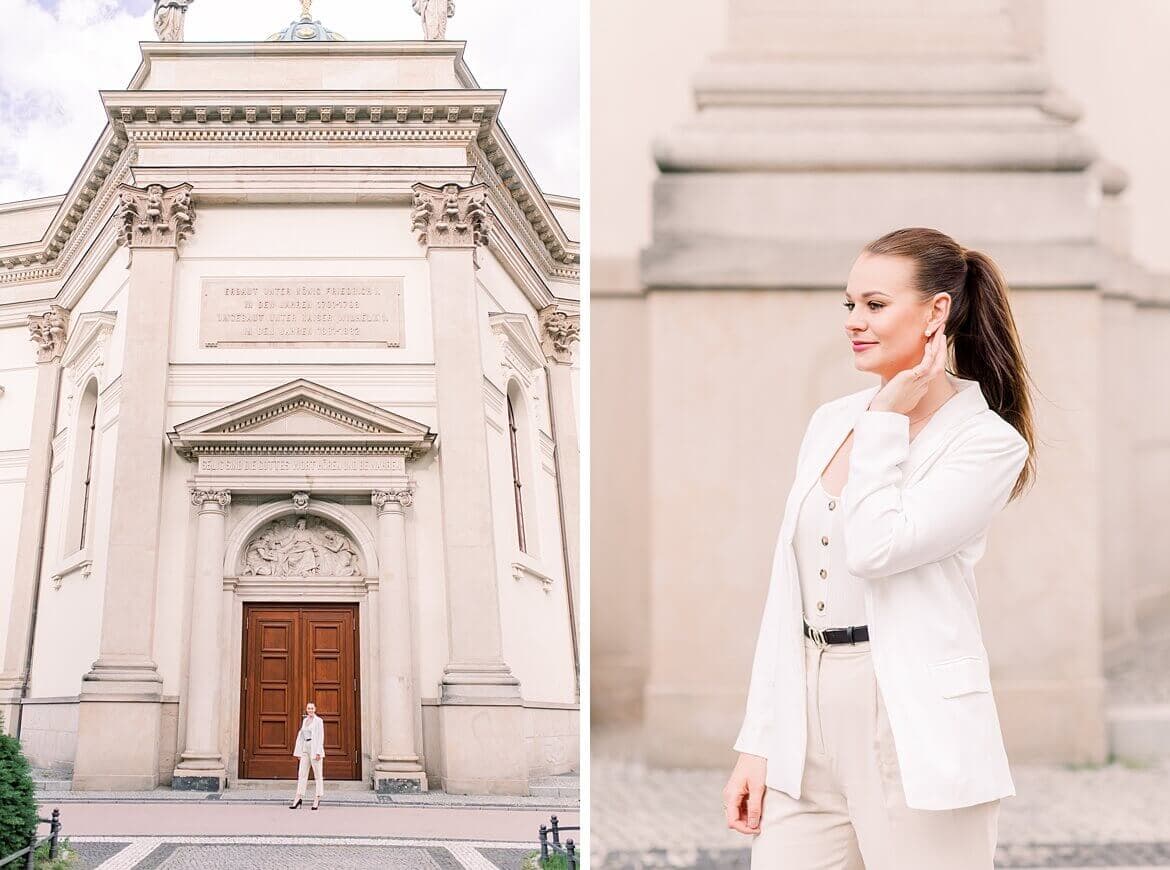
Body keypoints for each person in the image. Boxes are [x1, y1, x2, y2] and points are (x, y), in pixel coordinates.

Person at [723, 227, 1036, 869]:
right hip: (806, 715)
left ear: (936, 312)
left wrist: (888, 419)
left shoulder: (988, 444)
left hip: (910, 720)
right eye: (849, 306)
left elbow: (875, 547)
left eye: (874, 304)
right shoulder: (830, 421)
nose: (855, 322)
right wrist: (758, 741)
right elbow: (789, 591)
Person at [289, 701, 325, 810]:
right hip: (305, 748)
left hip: (315, 748)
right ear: (306, 709)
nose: (310, 710)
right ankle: (298, 797)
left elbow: (320, 736)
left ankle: (317, 798)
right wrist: (299, 752)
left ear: (315, 709)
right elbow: (301, 736)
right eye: (308, 708)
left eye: (312, 708)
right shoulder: (305, 721)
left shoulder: (319, 721)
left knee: (318, 775)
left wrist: (319, 751)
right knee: (302, 774)